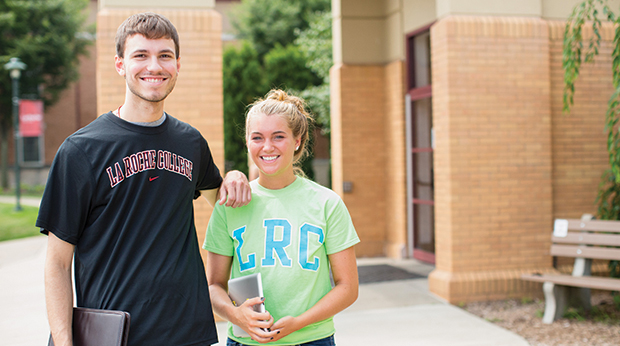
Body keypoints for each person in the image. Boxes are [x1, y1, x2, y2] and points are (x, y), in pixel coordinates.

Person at [37, 12, 251, 346]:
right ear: (120, 64)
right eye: (141, 55)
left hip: (185, 333)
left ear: (177, 64)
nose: (154, 66)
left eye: (164, 56)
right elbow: (56, 264)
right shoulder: (81, 151)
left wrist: (236, 176)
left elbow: (227, 203)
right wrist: (65, 342)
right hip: (111, 335)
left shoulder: (191, 143)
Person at [204, 89, 360, 346]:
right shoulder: (230, 204)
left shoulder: (327, 203)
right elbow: (213, 287)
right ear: (247, 142)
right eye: (257, 137)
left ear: (297, 140)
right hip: (245, 342)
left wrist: (299, 323)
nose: (267, 147)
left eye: (278, 137)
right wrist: (236, 315)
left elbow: (348, 288)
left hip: (313, 340)